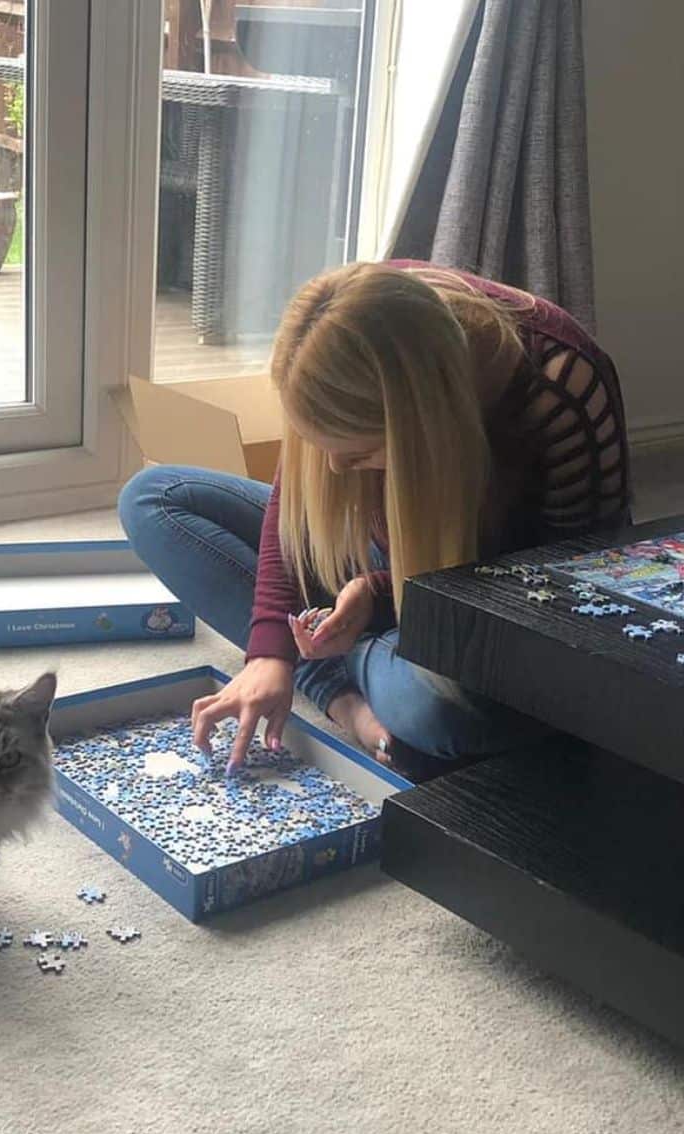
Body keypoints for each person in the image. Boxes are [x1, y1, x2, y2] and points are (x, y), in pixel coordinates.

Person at [119, 260, 631, 774]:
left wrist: (377, 591)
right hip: (375, 556)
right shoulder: (343, 328)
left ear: (422, 428)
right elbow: (292, 514)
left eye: (360, 453)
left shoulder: (564, 391)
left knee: (450, 713)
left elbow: (563, 604)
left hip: (479, 598)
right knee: (153, 498)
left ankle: (342, 659)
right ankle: (335, 689)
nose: (336, 467)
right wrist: (269, 653)